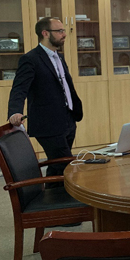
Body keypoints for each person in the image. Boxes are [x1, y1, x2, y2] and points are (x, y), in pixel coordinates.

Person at [8, 17, 83, 179]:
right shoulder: (31, 59)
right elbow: (19, 88)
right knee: (66, 166)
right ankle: (69, 195)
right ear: (45, 33)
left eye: (63, 30)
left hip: (68, 119)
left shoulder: (59, 57)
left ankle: (51, 192)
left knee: (56, 165)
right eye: (60, 31)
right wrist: (15, 111)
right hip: (48, 123)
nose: (64, 34)